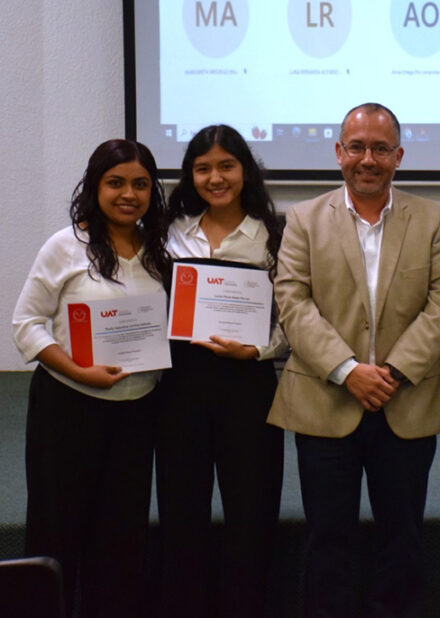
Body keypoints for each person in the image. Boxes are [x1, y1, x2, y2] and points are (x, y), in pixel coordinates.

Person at [268, 102, 440, 617]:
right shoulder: (305, 219)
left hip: (408, 400)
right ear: (339, 153)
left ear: (399, 156)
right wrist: (349, 371)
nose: (368, 158)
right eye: (357, 146)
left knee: (403, 540)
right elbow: (292, 301)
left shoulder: (435, 219)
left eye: (380, 148)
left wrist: (392, 372)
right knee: (327, 539)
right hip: (325, 399)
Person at [12, 139, 171, 618]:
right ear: (95, 186)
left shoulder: (160, 249)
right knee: (58, 529)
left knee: (122, 536)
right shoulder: (66, 245)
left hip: (138, 412)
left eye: (140, 184)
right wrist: (78, 370)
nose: (129, 194)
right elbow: (26, 323)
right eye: (116, 182)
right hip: (69, 407)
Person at [156, 125, 286, 618]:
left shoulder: (275, 234)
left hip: (248, 387)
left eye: (226, 166)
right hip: (181, 388)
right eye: (203, 167)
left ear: (245, 171)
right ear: (191, 175)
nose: (216, 177)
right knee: (181, 515)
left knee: (251, 517)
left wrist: (257, 350)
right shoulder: (169, 234)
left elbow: (292, 319)